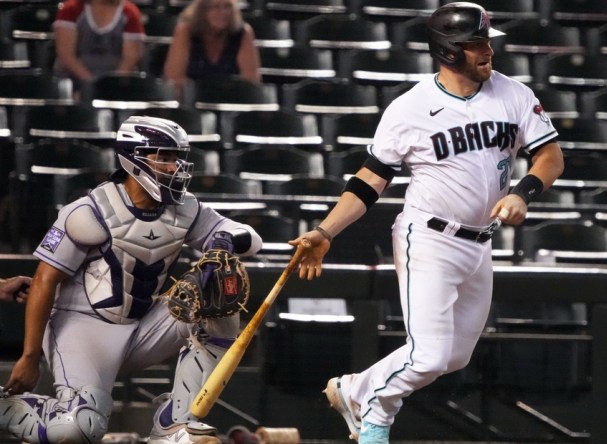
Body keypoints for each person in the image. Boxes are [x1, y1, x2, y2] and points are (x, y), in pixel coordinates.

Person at [288, 2, 565, 442]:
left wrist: (522, 191)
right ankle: (376, 416)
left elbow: (550, 155)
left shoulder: (514, 94)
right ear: (448, 50)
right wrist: (325, 231)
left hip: (480, 243)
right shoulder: (409, 108)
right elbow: (369, 181)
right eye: (475, 44)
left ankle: (355, 388)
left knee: (454, 356)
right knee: (429, 356)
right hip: (429, 236)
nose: (486, 51)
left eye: (486, 42)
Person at [0, 116, 263, 444]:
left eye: (177, 158)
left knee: (217, 304)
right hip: (83, 329)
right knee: (79, 429)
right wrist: (29, 358)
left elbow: (249, 238)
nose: (174, 167)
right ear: (132, 158)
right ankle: (6, 407)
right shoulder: (88, 211)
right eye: (164, 157)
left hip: (143, 326)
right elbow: (43, 282)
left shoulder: (186, 208)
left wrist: (224, 242)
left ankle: (175, 422)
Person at [163, 0, 261, 97]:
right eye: (215, 7)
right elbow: (174, 78)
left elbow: (251, 82)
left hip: (230, 99)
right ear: (202, 11)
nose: (223, 12)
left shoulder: (243, 33)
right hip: (193, 99)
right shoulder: (185, 31)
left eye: (227, 6)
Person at [52, 0, 145, 89]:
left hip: (117, 84)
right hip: (73, 81)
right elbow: (66, 55)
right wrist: (90, 85)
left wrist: (111, 85)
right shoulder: (70, 9)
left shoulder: (130, 12)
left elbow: (130, 59)